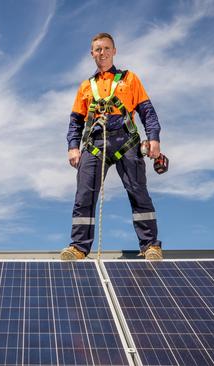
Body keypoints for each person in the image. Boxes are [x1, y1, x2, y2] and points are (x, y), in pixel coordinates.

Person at [61, 32, 163, 260]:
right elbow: (75, 120)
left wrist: (153, 137)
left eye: (106, 48)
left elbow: (147, 111)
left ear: (114, 51)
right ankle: (78, 247)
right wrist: (73, 146)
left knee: (138, 192)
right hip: (95, 144)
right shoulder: (86, 87)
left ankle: (150, 246)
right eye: (98, 49)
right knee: (84, 195)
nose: (102, 53)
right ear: (92, 54)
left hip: (126, 141)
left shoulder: (130, 79)